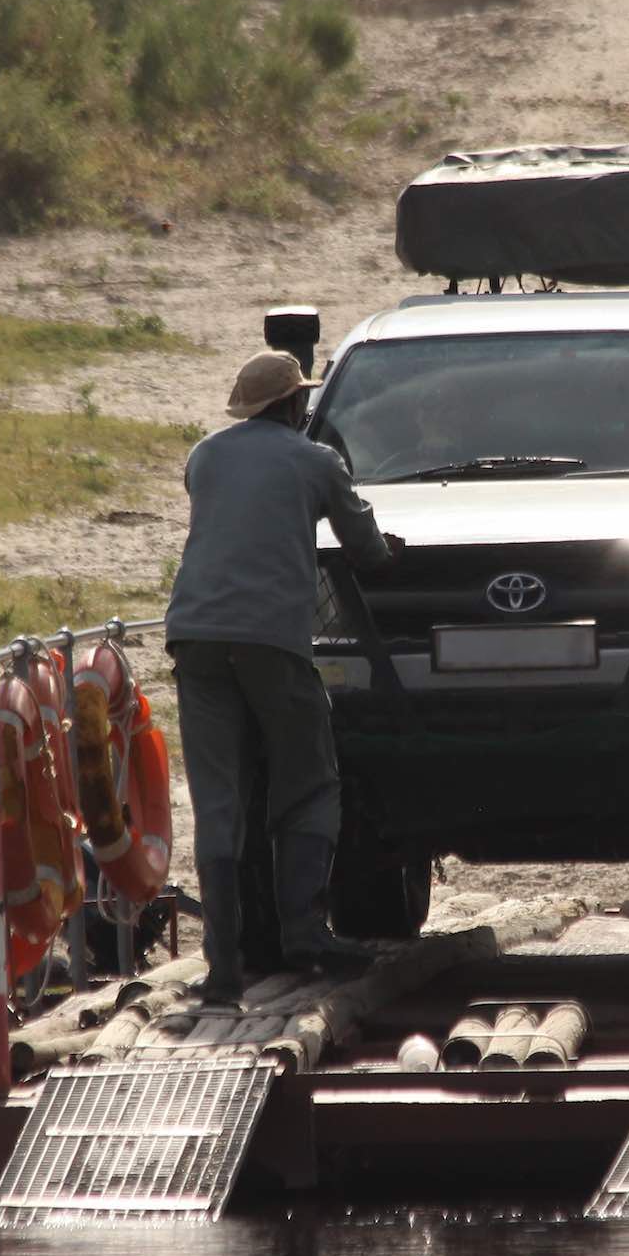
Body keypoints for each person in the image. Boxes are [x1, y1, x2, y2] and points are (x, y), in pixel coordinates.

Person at [166, 350, 402, 1004]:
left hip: (196, 637)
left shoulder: (205, 456)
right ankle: (305, 934)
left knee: (219, 799)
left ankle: (223, 967)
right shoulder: (316, 461)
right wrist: (384, 554)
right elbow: (367, 550)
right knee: (308, 780)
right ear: (296, 405)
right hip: (273, 639)